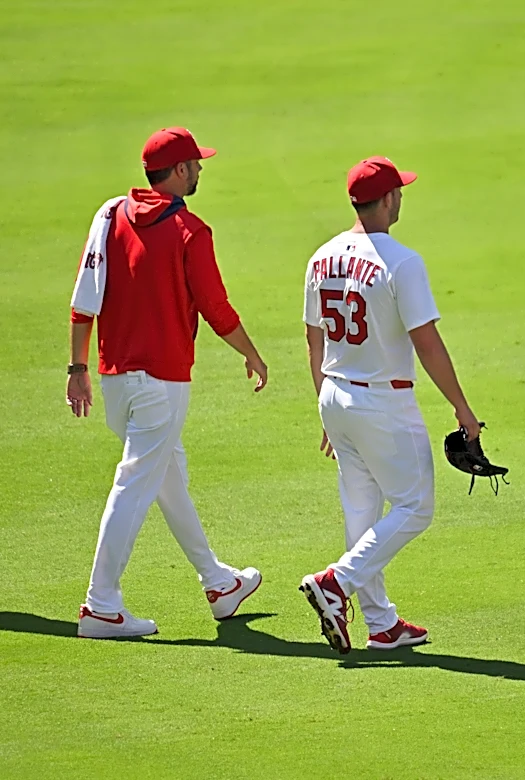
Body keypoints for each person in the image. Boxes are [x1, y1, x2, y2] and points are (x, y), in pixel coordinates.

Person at [67, 127, 268, 639]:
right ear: (177, 172)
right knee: (135, 482)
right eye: (195, 164)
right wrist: (251, 353)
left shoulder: (109, 214)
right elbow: (216, 306)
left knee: (165, 476)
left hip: (114, 380)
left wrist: (77, 368)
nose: (200, 169)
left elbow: (84, 298)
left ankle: (219, 583)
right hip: (162, 384)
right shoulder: (190, 232)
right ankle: (100, 604)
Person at [299, 156, 481, 654]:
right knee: (415, 507)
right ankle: (336, 583)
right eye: (398, 192)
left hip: (335, 393)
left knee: (362, 507)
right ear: (385, 201)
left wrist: (323, 406)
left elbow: (313, 339)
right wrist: (463, 410)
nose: (401, 197)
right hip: (383, 402)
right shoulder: (401, 261)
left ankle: (380, 622)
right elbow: (427, 343)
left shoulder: (321, 257)